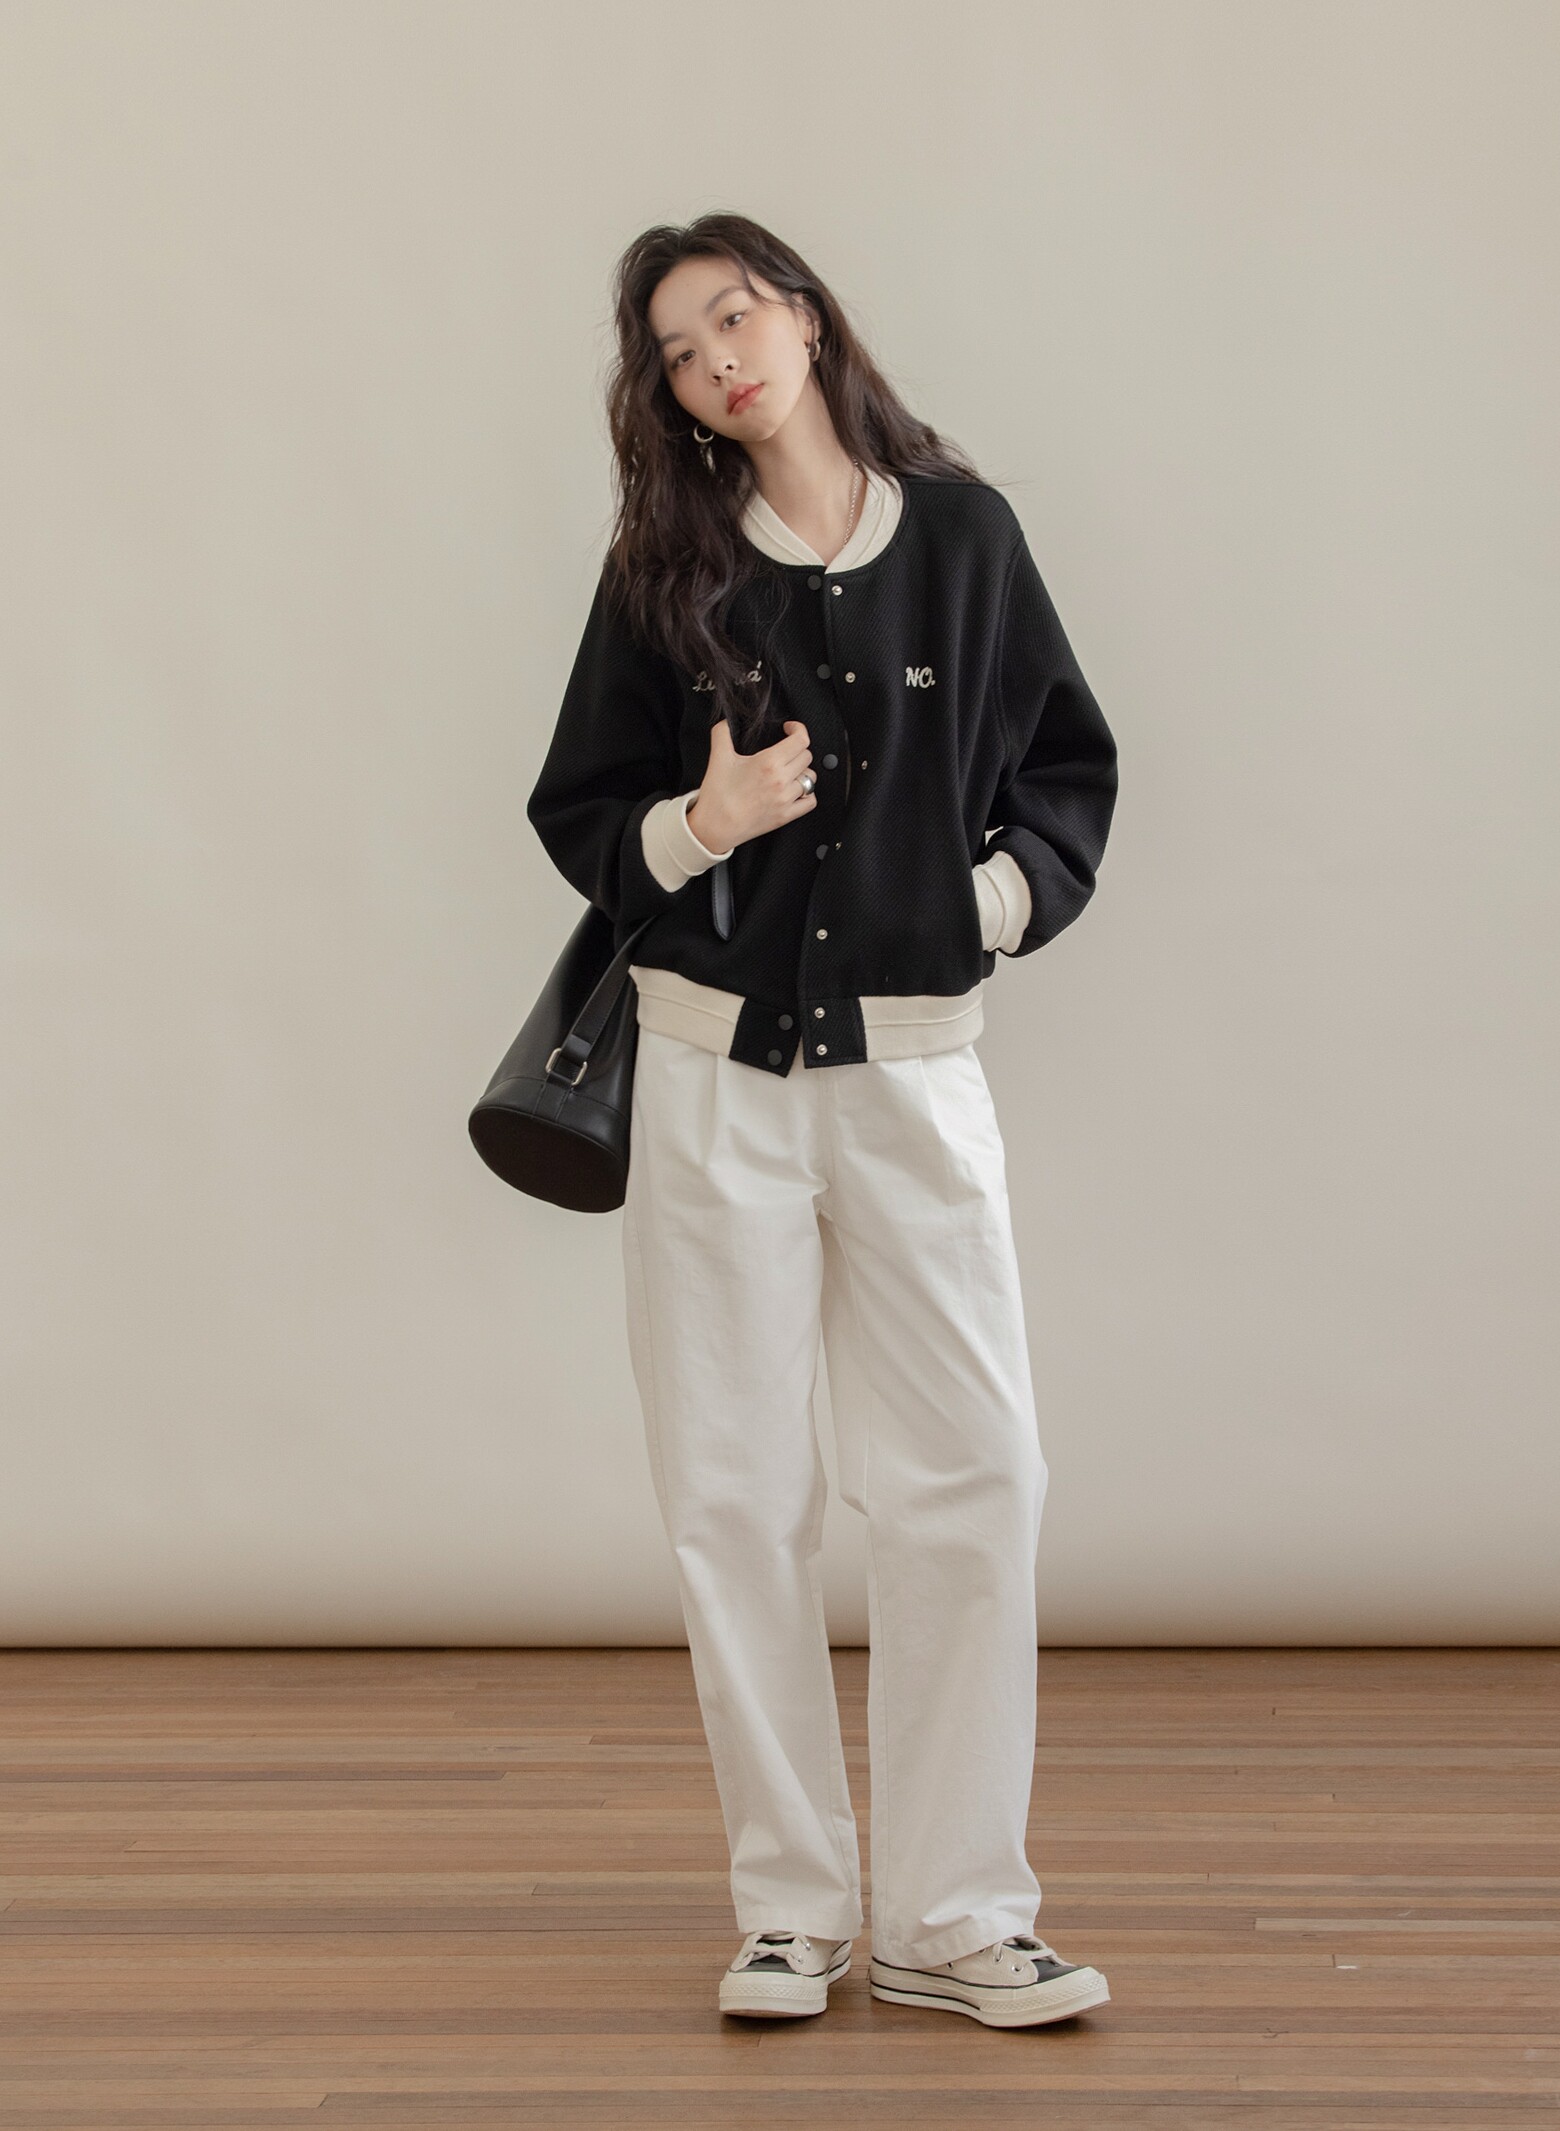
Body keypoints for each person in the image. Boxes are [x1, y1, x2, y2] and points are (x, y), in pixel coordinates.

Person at [526, 213, 1118, 2030]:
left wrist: (983, 908)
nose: (719, 358)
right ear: (670, 395)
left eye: (735, 314)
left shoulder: (962, 538)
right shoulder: (667, 573)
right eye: (679, 350)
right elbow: (580, 812)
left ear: (801, 315)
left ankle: (955, 1915)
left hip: (915, 1077)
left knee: (975, 1480)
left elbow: (1066, 770)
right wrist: (703, 823)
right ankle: (791, 1909)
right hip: (711, 1083)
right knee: (733, 1495)